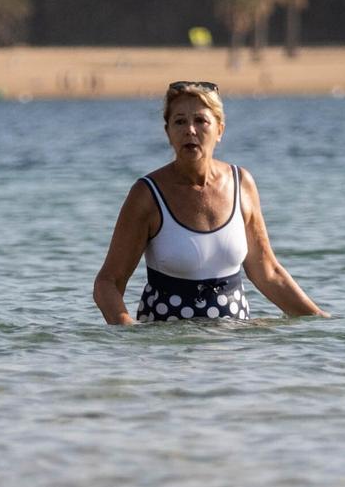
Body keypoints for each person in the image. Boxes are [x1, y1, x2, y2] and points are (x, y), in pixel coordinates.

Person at [94, 80, 325, 324]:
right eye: (180, 122)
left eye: (201, 121)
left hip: (233, 349)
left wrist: (320, 323)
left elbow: (268, 273)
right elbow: (108, 283)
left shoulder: (242, 183)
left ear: (220, 130)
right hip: (166, 352)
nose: (190, 130)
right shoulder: (147, 194)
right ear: (168, 132)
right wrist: (129, 333)